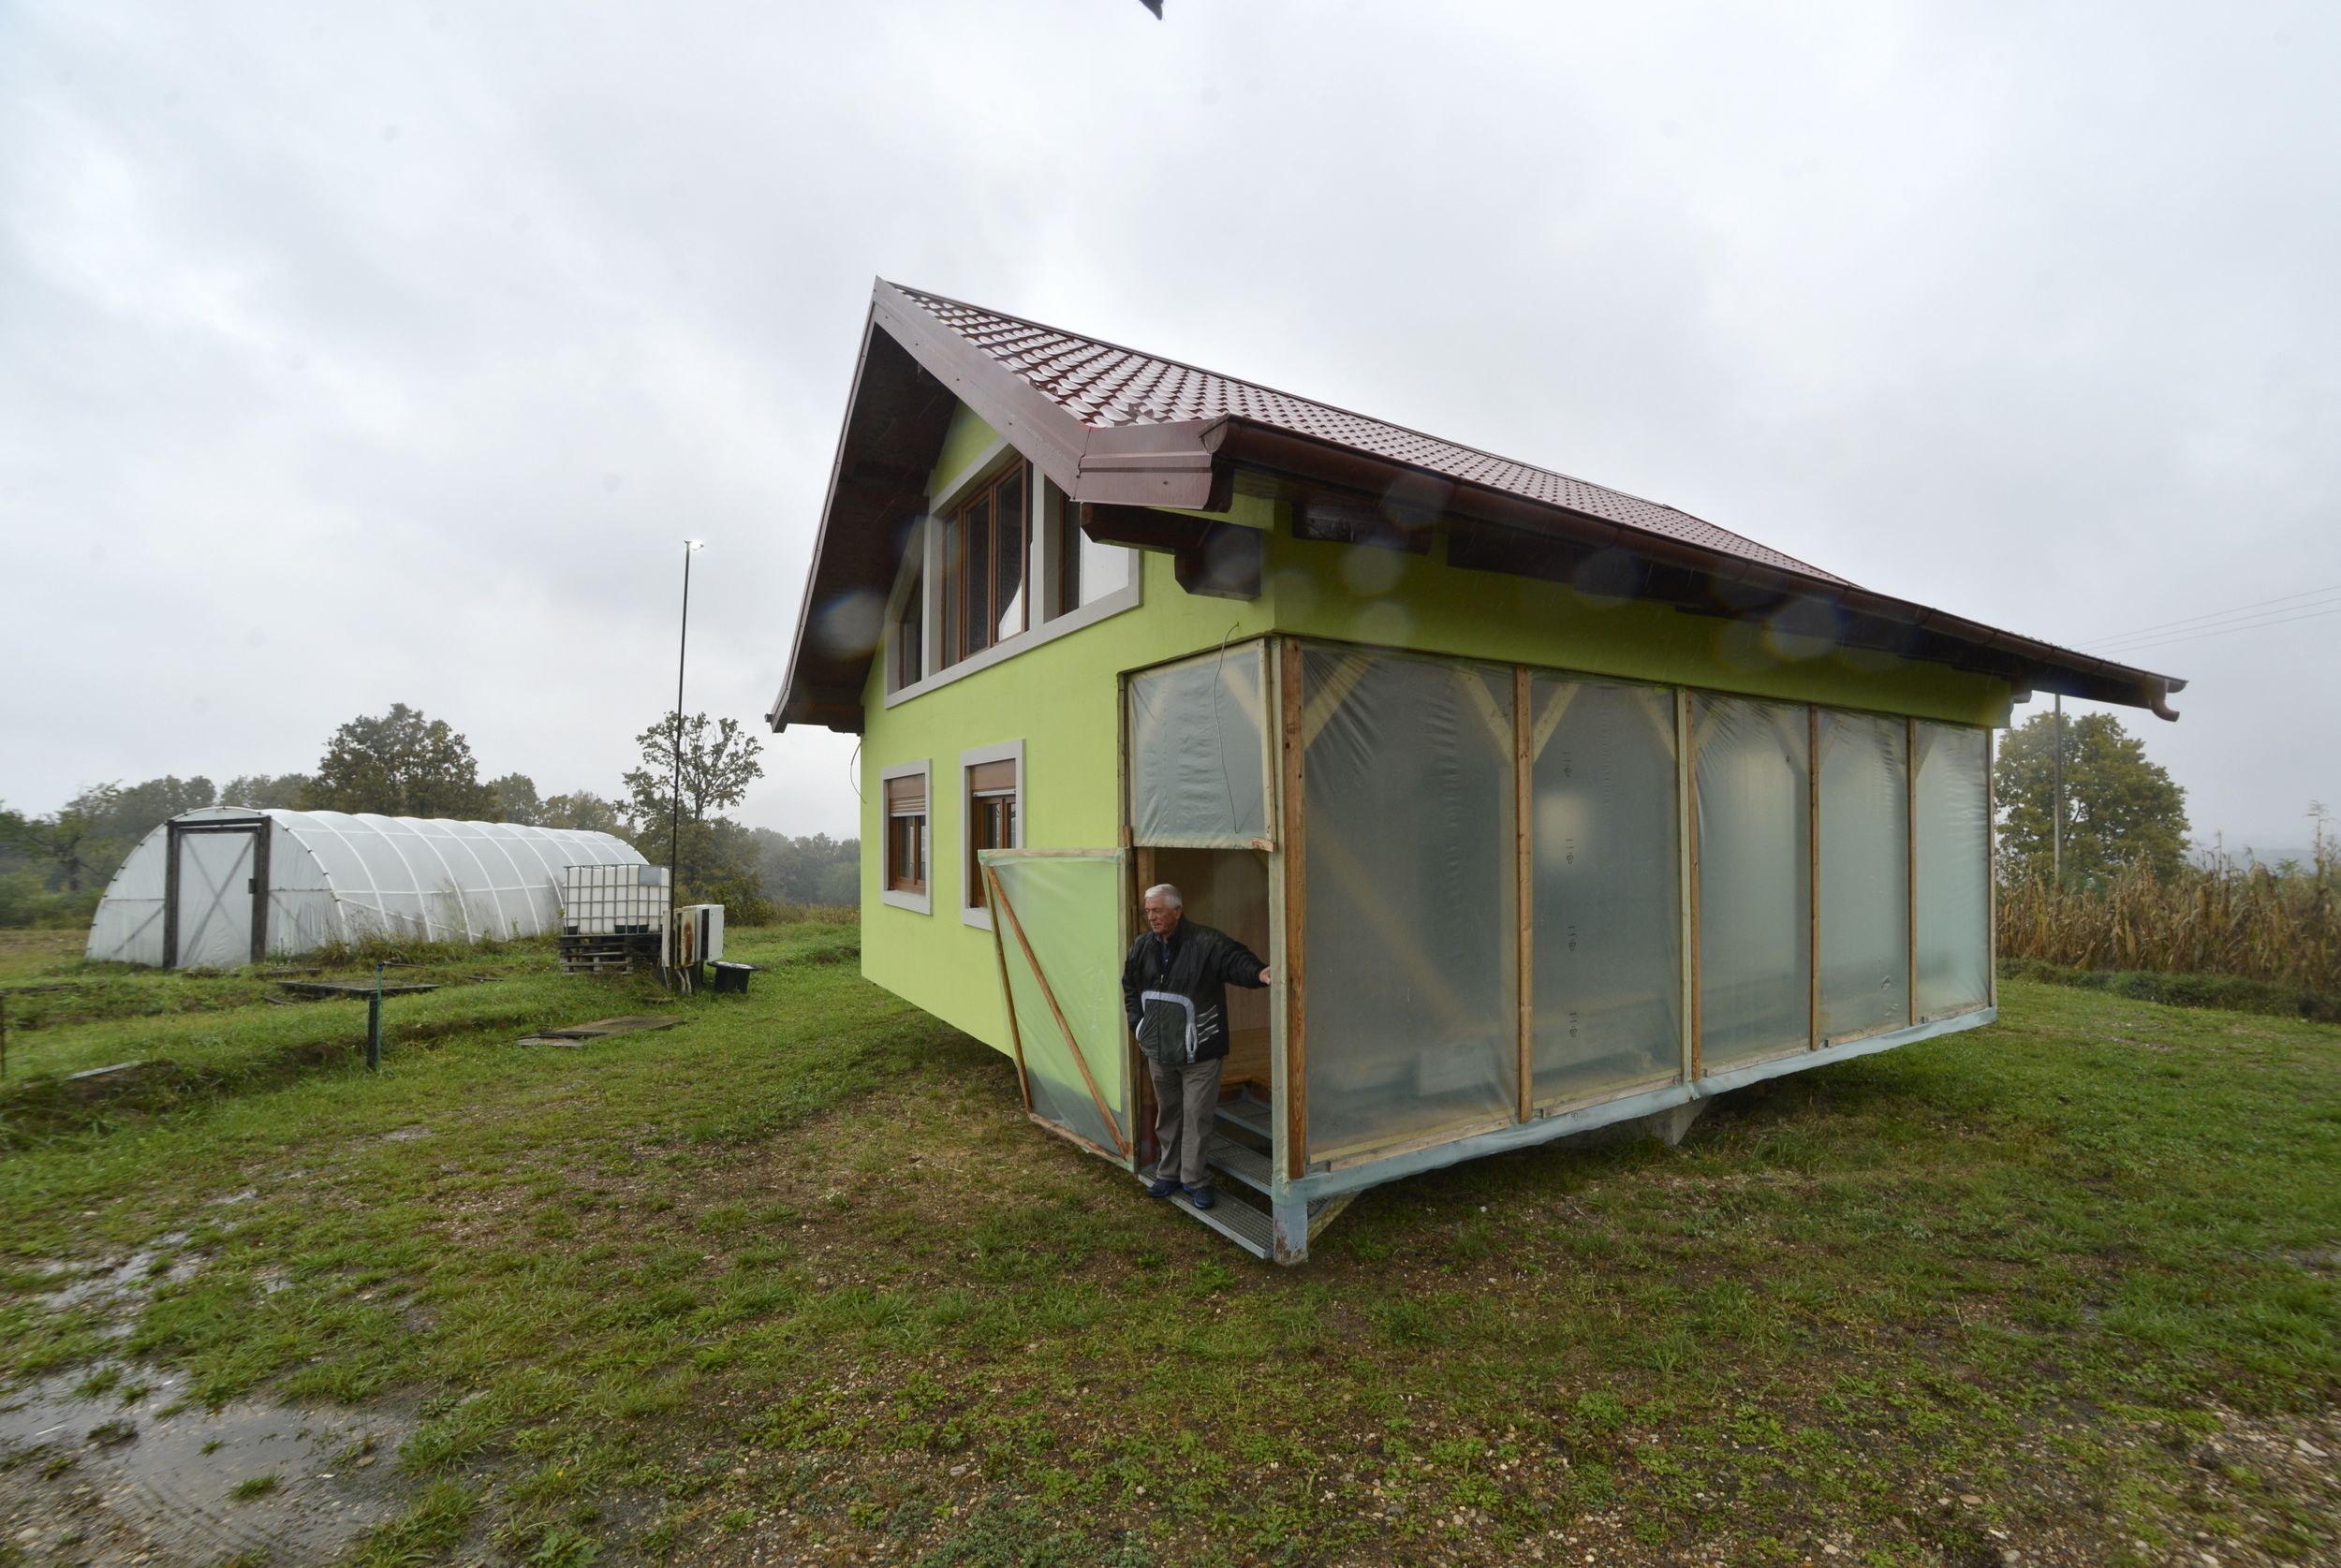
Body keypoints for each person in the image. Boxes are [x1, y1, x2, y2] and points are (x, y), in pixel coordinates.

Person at [1121, 883, 1271, 1211]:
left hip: (1200, 1052)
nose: (1152, 917)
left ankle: (1195, 1180)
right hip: (1160, 1051)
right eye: (1148, 911)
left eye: (1157, 910)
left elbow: (1235, 960)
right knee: (1169, 1114)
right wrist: (1139, 1025)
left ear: (1177, 909)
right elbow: (1129, 986)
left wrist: (1260, 972)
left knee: (1197, 1116)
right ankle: (1168, 1174)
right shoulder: (1142, 947)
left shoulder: (1206, 943)